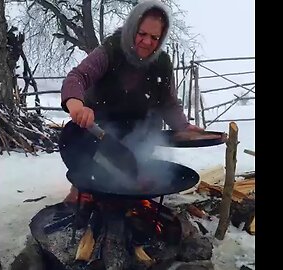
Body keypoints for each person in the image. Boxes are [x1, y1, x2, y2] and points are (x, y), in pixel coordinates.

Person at [60, 0, 203, 203]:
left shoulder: (162, 63)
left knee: (133, 162)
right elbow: (77, 77)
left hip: (137, 131)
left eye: (155, 37)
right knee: (72, 137)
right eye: (142, 34)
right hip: (99, 128)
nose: (147, 42)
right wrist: (76, 105)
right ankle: (84, 187)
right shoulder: (110, 51)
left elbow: (167, 102)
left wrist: (185, 126)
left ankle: (130, 188)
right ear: (132, 28)